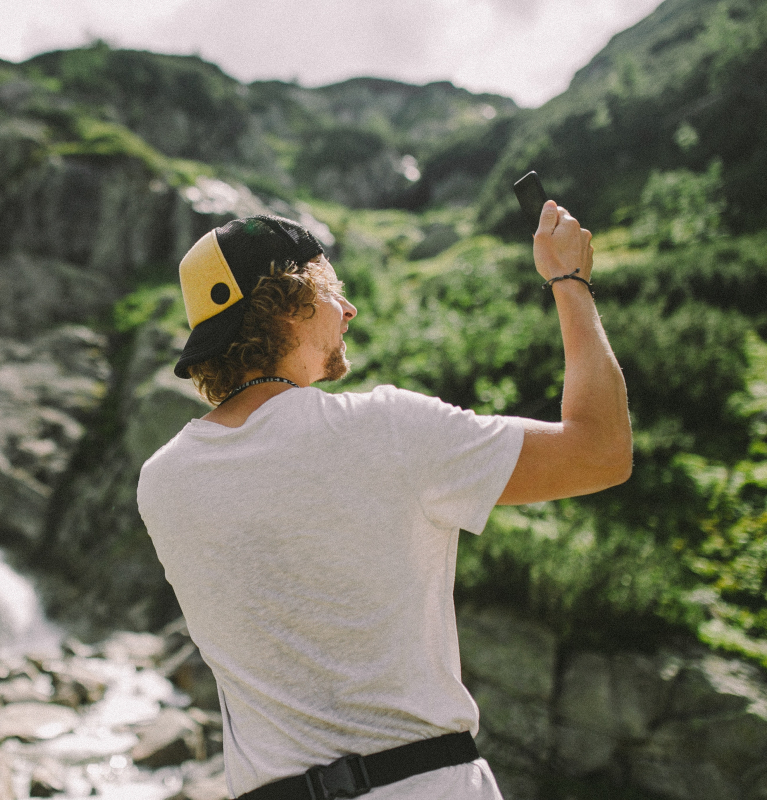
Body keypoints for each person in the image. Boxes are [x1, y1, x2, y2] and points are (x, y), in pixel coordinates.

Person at [136, 203, 631, 800]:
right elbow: (602, 451)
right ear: (289, 303)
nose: (348, 309)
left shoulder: (162, 482)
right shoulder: (387, 429)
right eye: (331, 289)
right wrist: (570, 282)